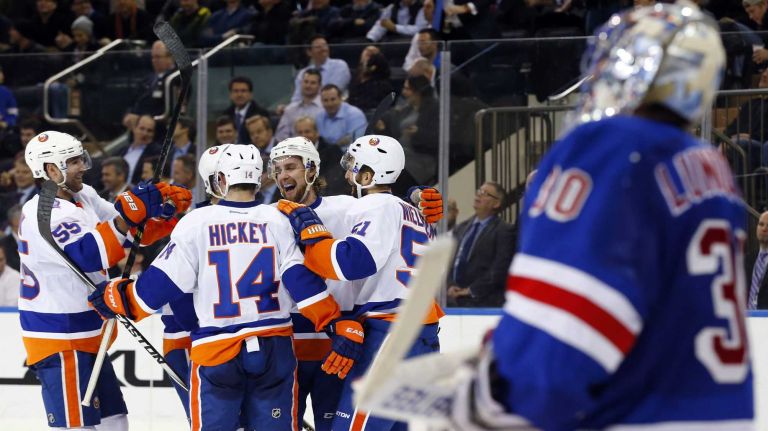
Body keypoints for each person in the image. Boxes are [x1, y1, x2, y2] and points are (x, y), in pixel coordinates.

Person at [433, 3, 754, 429]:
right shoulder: (712, 167)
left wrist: (495, 397)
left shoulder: (609, 148)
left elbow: (567, 321)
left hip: (633, 413)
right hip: (720, 410)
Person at [87, 143, 355, 430]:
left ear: (221, 179)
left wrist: (116, 296)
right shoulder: (279, 219)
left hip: (217, 350)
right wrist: (334, 321)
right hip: (274, 348)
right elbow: (301, 282)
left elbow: (155, 291)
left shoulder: (196, 223)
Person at [268, 136, 444, 431]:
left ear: (312, 170)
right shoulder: (408, 211)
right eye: (277, 168)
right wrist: (413, 193)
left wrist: (313, 235)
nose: (347, 174)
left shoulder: (360, 206)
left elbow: (349, 263)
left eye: (353, 168)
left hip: (377, 332)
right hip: (416, 328)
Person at [18, 131, 191, 429]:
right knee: (79, 426)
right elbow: (88, 254)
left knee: (116, 422)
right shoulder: (43, 213)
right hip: (62, 341)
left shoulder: (81, 195)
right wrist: (128, 216)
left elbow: (128, 235)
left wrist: (164, 215)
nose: (83, 166)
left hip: (87, 335)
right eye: (73, 162)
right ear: (50, 170)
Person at [446, 182, 515, 307]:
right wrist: (450, 285)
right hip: (454, 301)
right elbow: (450, 261)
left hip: (483, 302)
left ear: (497, 203)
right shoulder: (461, 228)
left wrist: (470, 290)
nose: (478, 196)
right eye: (479, 191)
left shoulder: (504, 231)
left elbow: (499, 268)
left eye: (485, 194)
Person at [290, 35, 351, 103]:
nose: (323, 49)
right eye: (318, 47)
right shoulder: (303, 73)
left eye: (325, 45)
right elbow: (297, 97)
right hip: (307, 110)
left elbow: (332, 94)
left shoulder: (339, 65)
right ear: (309, 52)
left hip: (334, 109)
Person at [275, 68, 324, 142]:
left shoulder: (324, 108)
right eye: (306, 82)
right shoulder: (290, 109)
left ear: (320, 86)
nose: (308, 85)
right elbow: (280, 136)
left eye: (312, 83)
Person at [316, 84, 367, 152]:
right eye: (325, 100)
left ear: (340, 98)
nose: (330, 104)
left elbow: (356, 145)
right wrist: (338, 144)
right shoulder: (319, 116)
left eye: (333, 99)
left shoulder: (355, 115)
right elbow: (320, 142)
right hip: (326, 156)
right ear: (321, 101)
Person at [222, 76, 270, 145]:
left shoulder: (261, 113)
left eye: (243, 91)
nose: (239, 94)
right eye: (236, 91)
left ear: (251, 94)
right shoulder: (225, 114)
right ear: (230, 94)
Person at [749, 210, 768, 309]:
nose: (764, 229)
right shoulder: (746, 260)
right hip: (747, 319)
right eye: (761, 224)